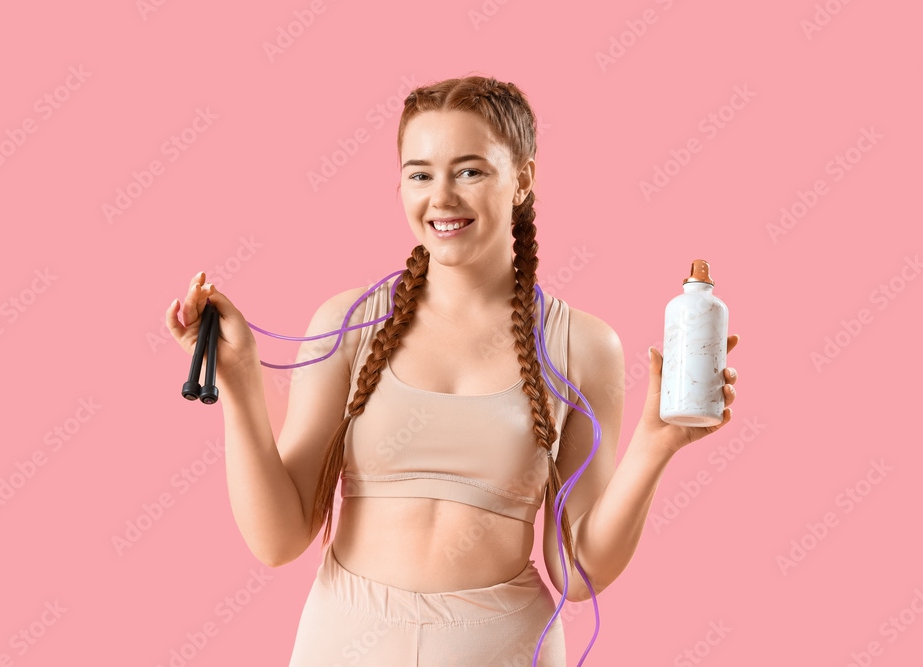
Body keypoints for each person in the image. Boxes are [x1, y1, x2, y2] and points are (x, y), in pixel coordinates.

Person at [165, 74, 741, 666]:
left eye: (470, 170)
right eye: (420, 174)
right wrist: (237, 381)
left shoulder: (583, 346)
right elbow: (278, 538)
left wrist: (654, 446)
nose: (441, 197)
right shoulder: (350, 324)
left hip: (501, 647)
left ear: (523, 180)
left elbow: (577, 572)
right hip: (346, 641)